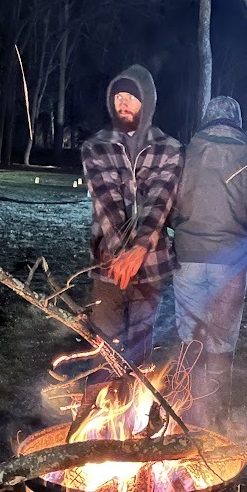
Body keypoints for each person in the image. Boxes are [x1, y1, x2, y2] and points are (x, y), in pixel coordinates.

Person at [171, 96, 247, 427]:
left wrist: (185, 229)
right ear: (237, 122)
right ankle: (215, 413)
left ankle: (186, 407)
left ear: (206, 120)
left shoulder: (183, 158)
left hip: (187, 258)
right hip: (230, 262)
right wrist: (241, 235)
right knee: (222, 336)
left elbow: (167, 206)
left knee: (190, 335)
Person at [80, 64, 182, 375]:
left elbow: (159, 201)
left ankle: (134, 415)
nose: (123, 103)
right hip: (108, 263)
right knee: (104, 348)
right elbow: (107, 201)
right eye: (118, 96)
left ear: (147, 102)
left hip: (150, 265)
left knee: (140, 347)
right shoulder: (95, 146)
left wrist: (138, 250)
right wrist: (123, 253)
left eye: (131, 97)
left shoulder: (170, 149)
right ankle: (99, 413)